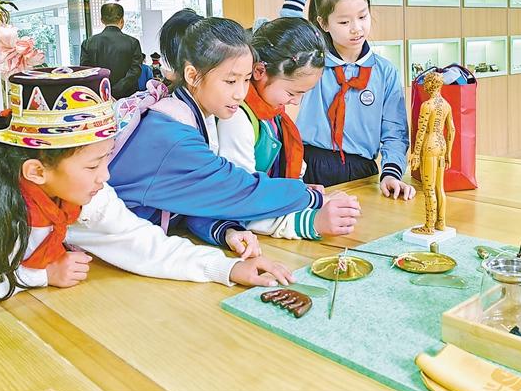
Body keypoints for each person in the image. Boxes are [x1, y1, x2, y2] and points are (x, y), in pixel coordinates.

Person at [0, 67, 294, 313]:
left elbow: (140, 243)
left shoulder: (78, 195)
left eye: (106, 159)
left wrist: (225, 269)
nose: (105, 176)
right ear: (36, 171)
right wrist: (41, 275)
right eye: (94, 165)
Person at [107, 17, 361, 257]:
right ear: (192, 76)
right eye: (230, 81)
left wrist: (224, 230)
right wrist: (313, 198)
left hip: (138, 242)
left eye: (246, 80)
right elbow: (236, 189)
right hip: (112, 246)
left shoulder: (193, 116)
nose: (240, 93)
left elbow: (195, 197)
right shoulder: (173, 134)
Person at [281, 0, 416, 199]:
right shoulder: (313, 63)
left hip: (362, 171)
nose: (356, 28)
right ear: (323, 23)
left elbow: (395, 132)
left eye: (363, 17)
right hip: (310, 167)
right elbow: (283, 42)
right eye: (344, 22)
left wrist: (391, 173)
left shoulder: (385, 72)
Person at [205, 17, 328, 239]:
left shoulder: (272, 113)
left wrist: (301, 192)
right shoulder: (237, 118)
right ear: (260, 71)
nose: (296, 102)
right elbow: (241, 198)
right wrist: (307, 220)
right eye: (292, 93)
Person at [80, 3, 142, 98]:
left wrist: (105, 90)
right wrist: (117, 90)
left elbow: (86, 72)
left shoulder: (88, 43)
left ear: (102, 20)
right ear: (122, 20)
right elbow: (136, 70)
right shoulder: (133, 42)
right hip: (127, 97)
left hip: (99, 96)